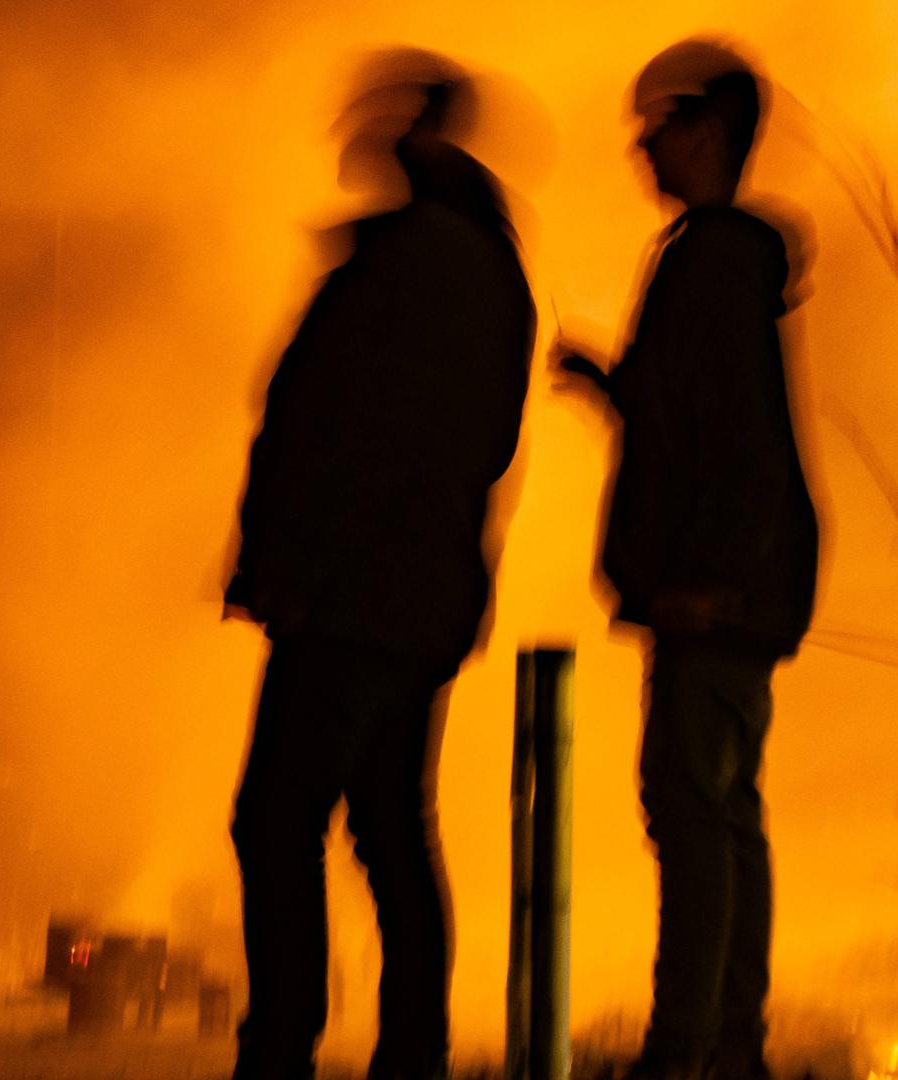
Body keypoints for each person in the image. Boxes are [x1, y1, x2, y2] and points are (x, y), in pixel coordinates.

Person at [225, 52, 534, 1080]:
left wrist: (290, 565)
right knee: (392, 826)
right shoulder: (484, 266)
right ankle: (414, 1051)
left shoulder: (409, 266)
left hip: (353, 595)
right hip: (418, 593)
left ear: (416, 132)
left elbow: (336, 430)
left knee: (278, 818)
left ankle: (282, 1047)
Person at [554, 40, 818, 1080]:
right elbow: (689, 417)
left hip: (716, 590)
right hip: (734, 584)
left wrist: (710, 578)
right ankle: (728, 1044)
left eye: (654, 123)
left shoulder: (711, 258)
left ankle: (689, 1050)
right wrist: (609, 383)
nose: (639, 147)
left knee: (691, 807)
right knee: (722, 810)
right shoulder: (719, 262)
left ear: (706, 130)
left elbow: (732, 438)